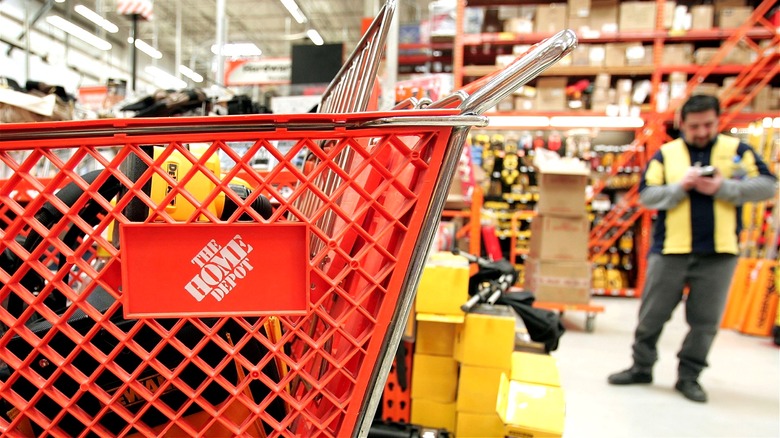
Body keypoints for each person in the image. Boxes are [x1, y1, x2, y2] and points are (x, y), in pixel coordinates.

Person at [608, 95, 777, 402]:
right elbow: (647, 196)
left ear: (717, 121)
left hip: (719, 253)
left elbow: (768, 184)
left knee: (705, 323)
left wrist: (724, 189)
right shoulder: (666, 154)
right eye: (695, 125)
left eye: (708, 124)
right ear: (682, 123)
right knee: (651, 315)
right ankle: (641, 367)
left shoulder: (736, 150)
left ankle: (689, 376)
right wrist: (681, 187)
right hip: (670, 250)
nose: (701, 132)